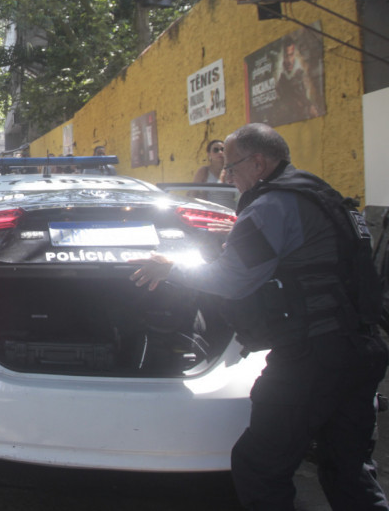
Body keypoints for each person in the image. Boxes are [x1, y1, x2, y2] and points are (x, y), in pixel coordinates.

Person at [129, 123, 387, 510]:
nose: (227, 178)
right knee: (348, 468)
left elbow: (230, 280)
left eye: (231, 168)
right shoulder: (321, 194)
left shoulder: (271, 206)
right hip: (362, 349)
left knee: (259, 466)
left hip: (312, 357)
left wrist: (171, 269)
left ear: (259, 163)